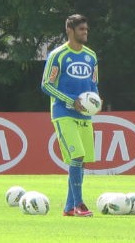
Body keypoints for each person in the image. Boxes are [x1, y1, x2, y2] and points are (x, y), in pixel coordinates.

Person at [41, 14, 99, 217]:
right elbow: (46, 84)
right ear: (70, 30)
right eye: (81, 29)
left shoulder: (91, 56)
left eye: (86, 29)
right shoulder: (58, 55)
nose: (85, 32)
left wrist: (96, 102)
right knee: (77, 155)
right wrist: (71, 100)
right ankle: (79, 204)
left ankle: (68, 207)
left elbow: (94, 84)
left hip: (84, 116)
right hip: (63, 112)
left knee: (81, 162)